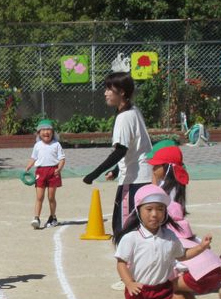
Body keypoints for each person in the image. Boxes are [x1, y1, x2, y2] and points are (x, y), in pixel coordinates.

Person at [82, 72, 153, 237]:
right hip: (141, 176)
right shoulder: (134, 111)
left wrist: (93, 174)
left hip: (135, 179)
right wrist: (115, 170)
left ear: (122, 92)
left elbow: (121, 150)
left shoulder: (124, 117)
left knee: (123, 230)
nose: (105, 93)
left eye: (109, 89)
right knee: (135, 229)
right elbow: (133, 148)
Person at [166, 201, 221, 299]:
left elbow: (174, 264)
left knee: (170, 287)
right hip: (216, 271)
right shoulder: (188, 231)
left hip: (202, 274)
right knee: (180, 287)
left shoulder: (170, 236)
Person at [23, 119, 65, 228]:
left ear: (53, 132)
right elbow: (34, 157)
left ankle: (53, 217)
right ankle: (36, 218)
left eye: (48, 129)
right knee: (39, 197)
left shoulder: (56, 145)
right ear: (39, 133)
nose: (46, 132)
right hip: (40, 172)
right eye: (43, 130)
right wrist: (29, 165)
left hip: (53, 171)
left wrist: (59, 168)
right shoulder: (37, 145)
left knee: (51, 197)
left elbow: (62, 159)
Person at [150, 143, 189, 209]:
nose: (153, 168)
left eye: (156, 165)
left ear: (167, 167)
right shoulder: (163, 182)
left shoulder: (172, 189)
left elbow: (153, 202)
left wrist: (154, 184)